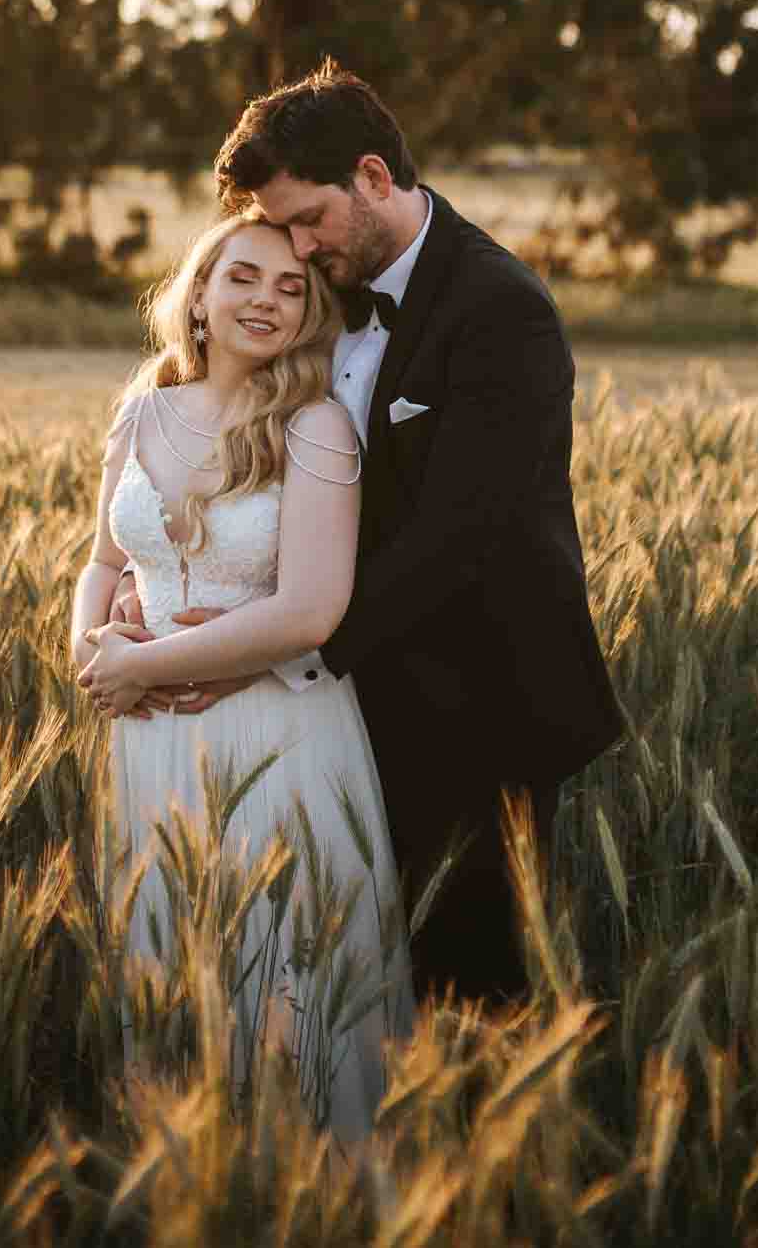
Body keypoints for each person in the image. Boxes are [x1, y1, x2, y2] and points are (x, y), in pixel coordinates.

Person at [110, 63, 625, 1007]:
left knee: (469, 990)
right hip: (340, 713)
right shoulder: (324, 289)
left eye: (309, 218)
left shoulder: (498, 308)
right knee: (331, 974)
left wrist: (271, 656)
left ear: (375, 177)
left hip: (479, 707)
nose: (295, 248)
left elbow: (462, 536)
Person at [72, 213, 413, 1137]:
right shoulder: (142, 407)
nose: (266, 299)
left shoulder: (316, 427)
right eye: (244, 277)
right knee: (172, 980)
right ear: (200, 292)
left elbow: (309, 610)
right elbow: (104, 561)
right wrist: (89, 652)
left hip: (278, 736)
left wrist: (140, 663)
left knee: (290, 985)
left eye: (290, 287)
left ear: (309, 313)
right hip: (150, 745)